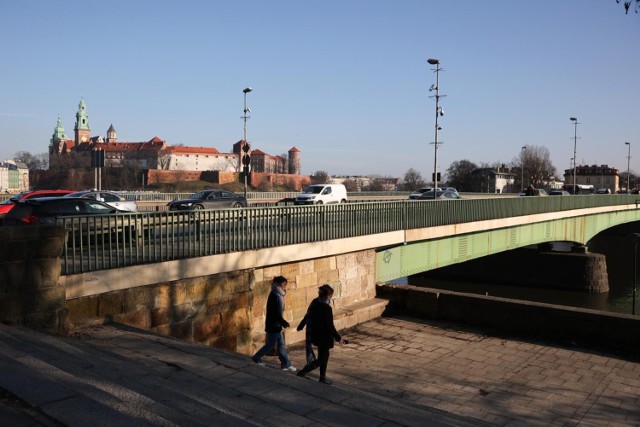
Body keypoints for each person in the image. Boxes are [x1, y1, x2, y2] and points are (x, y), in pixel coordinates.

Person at [296, 284, 343, 385]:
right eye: (331, 296)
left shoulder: (315, 302)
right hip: (325, 337)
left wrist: (301, 325)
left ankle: (322, 377)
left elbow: (307, 315)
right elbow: (330, 326)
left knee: (323, 356)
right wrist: (338, 338)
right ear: (328, 296)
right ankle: (304, 371)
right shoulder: (327, 308)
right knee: (323, 358)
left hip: (316, 335)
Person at [251, 276, 297, 372]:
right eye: (284, 285)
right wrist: (283, 322)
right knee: (271, 345)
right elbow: (275, 313)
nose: (285, 287)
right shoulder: (275, 296)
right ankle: (256, 357)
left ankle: (285, 364)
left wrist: (282, 323)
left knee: (280, 345)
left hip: (276, 325)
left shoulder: (277, 295)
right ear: (280, 285)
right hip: (273, 325)